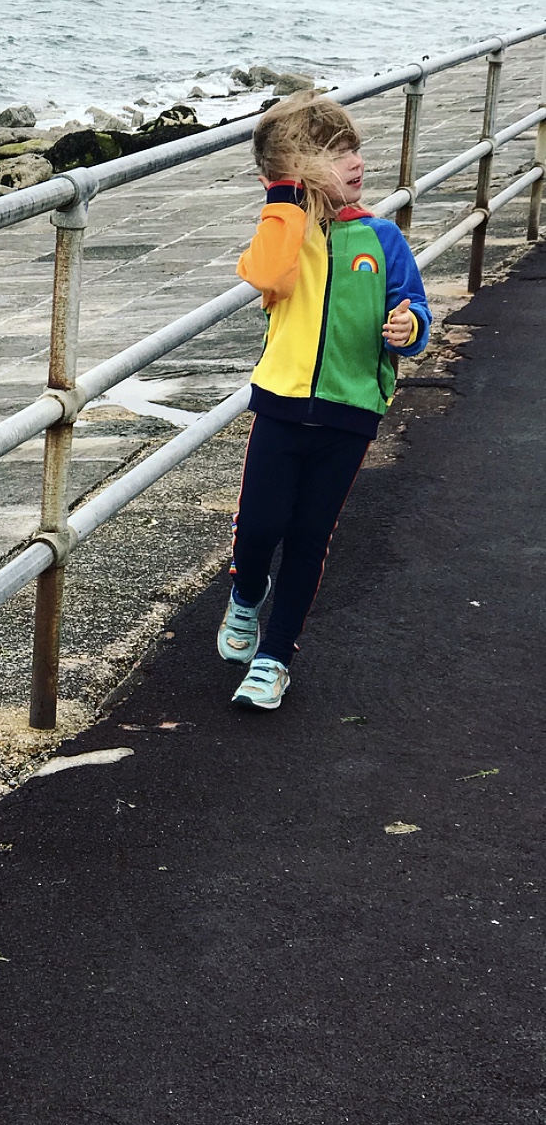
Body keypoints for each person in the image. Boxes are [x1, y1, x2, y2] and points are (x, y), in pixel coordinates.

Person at [220, 92, 430, 709]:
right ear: (299, 170)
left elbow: (415, 307)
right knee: (260, 525)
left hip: (350, 411)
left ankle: (274, 659)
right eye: (335, 155)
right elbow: (266, 276)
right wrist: (284, 197)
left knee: (310, 536)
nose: (355, 163)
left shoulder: (383, 238)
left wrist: (409, 327)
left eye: (355, 150)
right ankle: (246, 594)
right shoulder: (287, 237)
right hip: (281, 404)